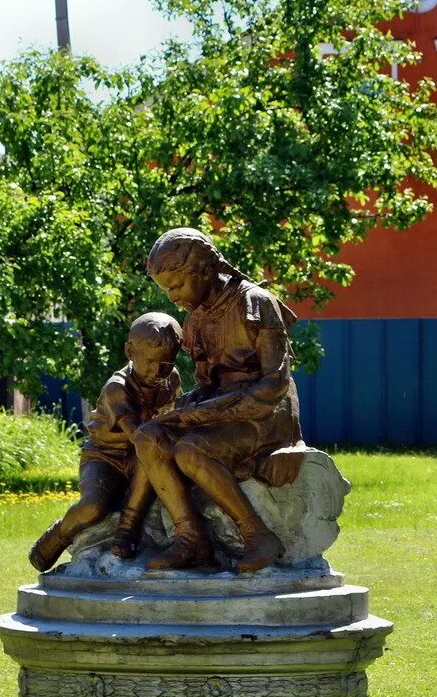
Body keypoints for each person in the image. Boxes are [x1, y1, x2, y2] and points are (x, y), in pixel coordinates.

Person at [133, 228, 305, 573]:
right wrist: (184, 409)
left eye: (177, 286)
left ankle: (257, 534)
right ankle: (191, 537)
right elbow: (206, 384)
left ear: (204, 269)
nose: (172, 298)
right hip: (223, 412)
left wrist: (200, 414)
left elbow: (274, 385)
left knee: (191, 450)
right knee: (148, 435)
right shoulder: (196, 320)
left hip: (265, 415)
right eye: (166, 290)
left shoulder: (256, 302)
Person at [28, 313, 183, 571]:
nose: (157, 371)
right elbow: (136, 433)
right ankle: (59, 534)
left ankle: (127, 530)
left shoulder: (172, 379)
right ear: (130, 351)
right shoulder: (117, 387)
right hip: (105, 457)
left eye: (166, 364)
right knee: (93, 506)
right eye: (149, 362)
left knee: (149, 455)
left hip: (139, 457)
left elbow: (171, 419)